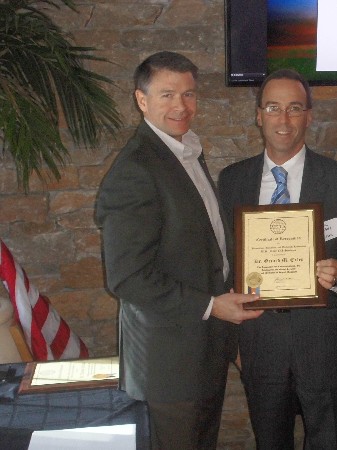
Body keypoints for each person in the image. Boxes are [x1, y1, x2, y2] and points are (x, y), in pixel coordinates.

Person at [95, 51, 262, 450]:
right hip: (170, 364)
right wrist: (212, 305)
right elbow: (127, 277)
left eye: (188, 94)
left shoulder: (185, 149)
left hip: (204, 350)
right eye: (167, 95)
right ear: (141, 100)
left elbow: (204, 247)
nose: (181, 106)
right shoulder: (136, 168)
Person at [218, 69, 337, 449]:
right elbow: (221, 263)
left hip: (324, 341)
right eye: (273, 108)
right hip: (259, 340)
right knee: (270, 442)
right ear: (259, 115)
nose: (283, 119)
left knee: (330, 442)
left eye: (294, 108)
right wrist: (231, 339)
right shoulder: (232, 181)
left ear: (309, 115)